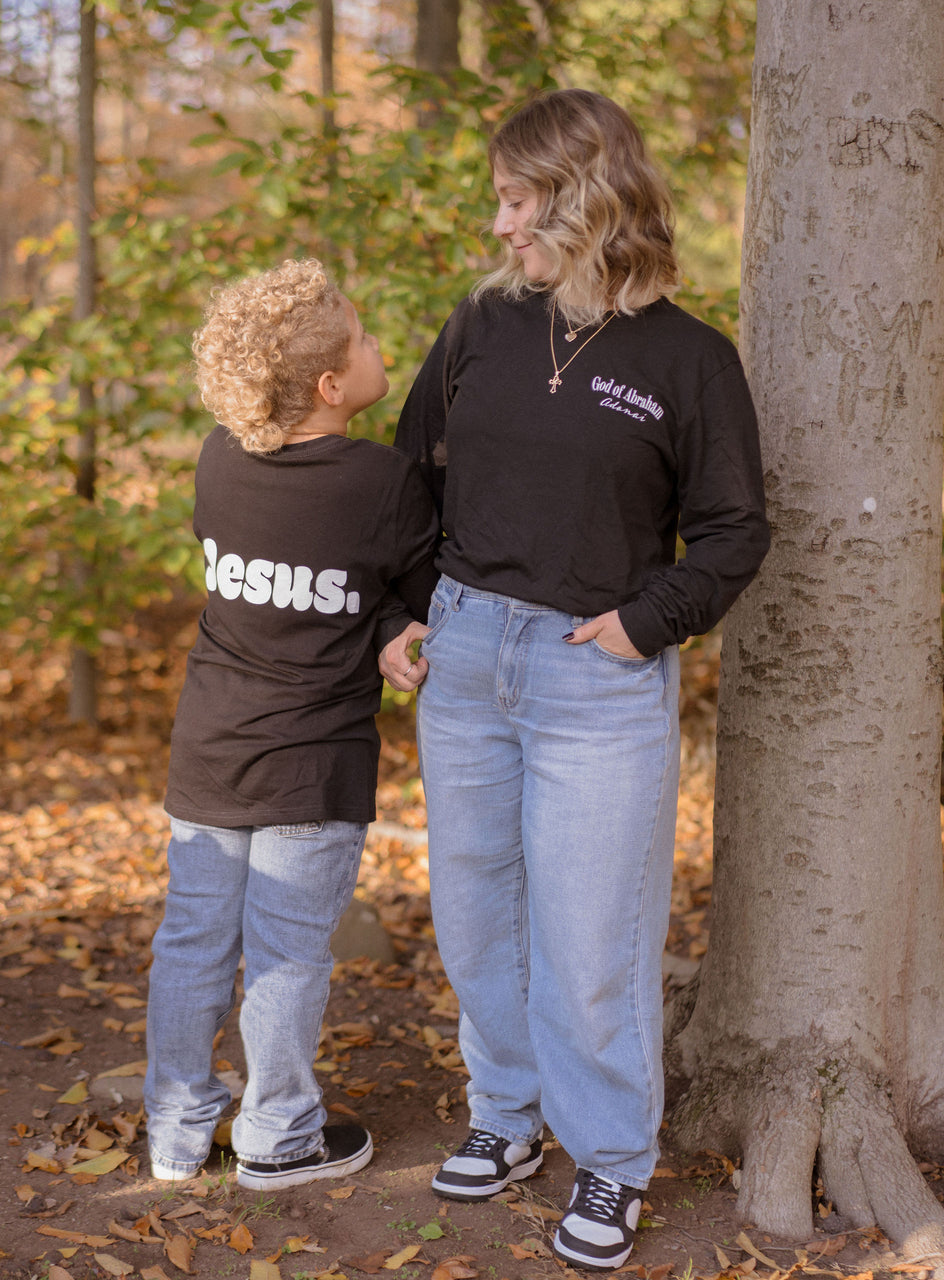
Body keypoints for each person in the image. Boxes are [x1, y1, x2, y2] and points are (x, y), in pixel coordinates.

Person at [379, 90, 769, 1270]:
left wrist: (645, 622)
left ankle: (609, 1156)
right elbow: (409, 474)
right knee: (477, 916)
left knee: (595, 936)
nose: (500, 226)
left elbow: (735, 529)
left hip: (594, 680)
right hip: (462, 660)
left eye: (515, 200)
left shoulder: (692, 360)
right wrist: (398, 612)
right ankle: (505, 1116)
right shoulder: (484, 325)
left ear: (585, 197)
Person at [146, 258, 439, 1191]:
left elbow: (337, 581)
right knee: (285, 954)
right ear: (329, 385)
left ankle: (176, 1130)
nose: (376, 346)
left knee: (192, 942)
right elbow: (409, 584)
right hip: (311, 769)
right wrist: (396, 626)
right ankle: (277, 1135)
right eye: (361, 339)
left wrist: (383, 619)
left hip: (209, 754)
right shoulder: (383, 483)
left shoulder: (219, 457)